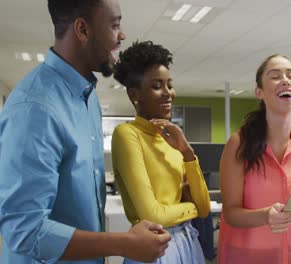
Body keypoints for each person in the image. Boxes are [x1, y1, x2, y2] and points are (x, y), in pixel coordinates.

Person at [0, 1, 171, 263]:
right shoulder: (35, 108)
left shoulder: (87, 98)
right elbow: (25, 231)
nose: (122, 34)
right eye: (114, 25)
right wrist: (124, 243)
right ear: (82, 29)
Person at [217, 54, 291, 264]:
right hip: (246, 256)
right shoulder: (239, 143)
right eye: (275, 76)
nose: (285, 80)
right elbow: (230, 212)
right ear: (259, 92)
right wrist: (265, 216)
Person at [112, 40, 211, 264]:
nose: (168, 93)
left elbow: (204, 207)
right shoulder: (128, 134)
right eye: (157, 86)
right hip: (153, 245)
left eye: (169, 84)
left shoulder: (172, 138)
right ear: (134, 94)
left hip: (188, 241)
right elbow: (153, 216)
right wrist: (190, 207)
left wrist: (187, 151)